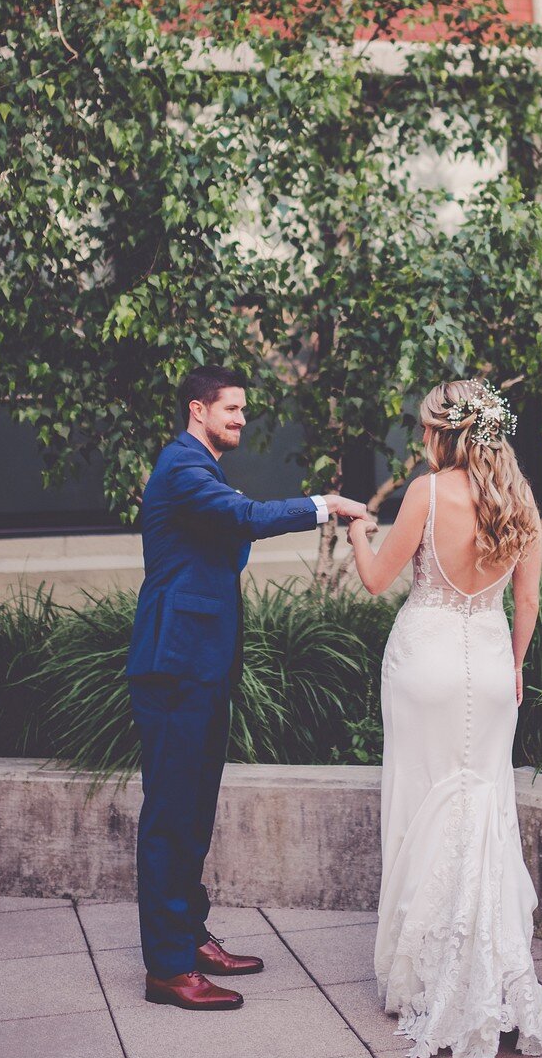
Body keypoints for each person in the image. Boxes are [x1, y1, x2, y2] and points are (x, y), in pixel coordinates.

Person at [126, 364, 367, 1011]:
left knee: (193, 813)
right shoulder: (184, 466)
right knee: (171, 818)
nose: (240, 420)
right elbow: (244, 516)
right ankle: (169, 969)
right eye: (231, 410)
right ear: (197, 409)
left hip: (201, 669)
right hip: (174, 667)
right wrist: (324, 505)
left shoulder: (198, 466)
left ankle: (190, 935)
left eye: (241, 411)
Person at [347, 378, 542, 1058]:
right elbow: (527, 605)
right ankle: (494, 967)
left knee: (421, 800)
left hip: (426, 663)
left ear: (448, 432)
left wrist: (356, 535)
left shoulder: (426, 494)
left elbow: (378, 578)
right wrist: (517, 667)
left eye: (427, 427)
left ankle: (424, 969)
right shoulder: (522, 501)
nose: (423, 438)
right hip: (493, 665)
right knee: (485, 803)